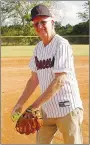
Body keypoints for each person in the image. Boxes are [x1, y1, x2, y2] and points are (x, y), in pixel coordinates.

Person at [12, 4, 83, 144]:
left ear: (52, 22)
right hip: (47, 110)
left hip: (68, 110)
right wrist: (20, 103)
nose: (39, 27)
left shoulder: (61, 45)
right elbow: (33, 79)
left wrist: (33, 107)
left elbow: (59, 81)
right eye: (36, 24)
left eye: (43, 22)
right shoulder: (38, 48)